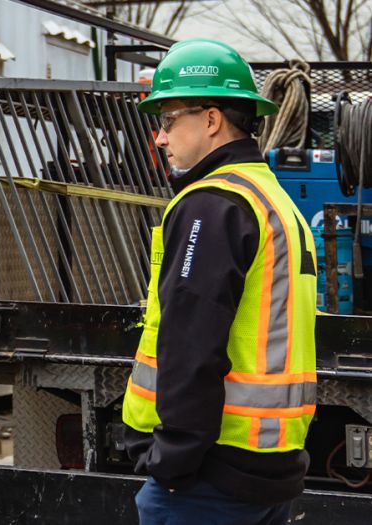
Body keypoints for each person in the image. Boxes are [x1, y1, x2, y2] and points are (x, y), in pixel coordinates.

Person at [121, 39, 318, 525]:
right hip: (267, 463)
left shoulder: (212, 204)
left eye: (167, 121)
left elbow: (192, 343)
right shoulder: (270, 197)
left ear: (210, 120)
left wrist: (172, 462)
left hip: (206, 477)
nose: (161, 138)